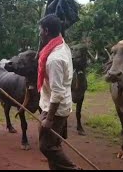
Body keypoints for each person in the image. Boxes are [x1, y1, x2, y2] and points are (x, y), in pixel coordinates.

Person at [37, 14, 82, 170]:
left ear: (47, 31)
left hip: (54, 109)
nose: (40, 33)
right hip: (55, 105)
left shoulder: (54, 59)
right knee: (53, 144)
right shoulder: (61, 43)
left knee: (47, 147)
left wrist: (49, 119)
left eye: (41, 30)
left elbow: (57, 92)